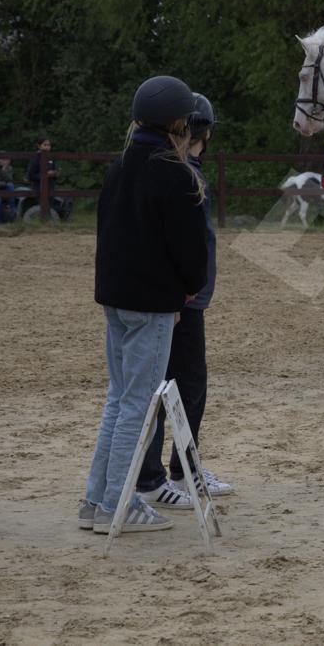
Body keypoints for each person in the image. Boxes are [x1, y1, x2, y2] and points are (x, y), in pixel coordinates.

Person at [78, 75, 210, 535]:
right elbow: (192, 252)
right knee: (138, 406)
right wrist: (187, 289)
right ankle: (119, 503)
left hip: (115, 298)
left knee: (118, 400)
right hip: (152, 305)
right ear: (179, 123)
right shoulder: (177, 174)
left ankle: (96, 499)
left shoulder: (118, 167)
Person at [134, 92, 232, 510]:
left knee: (178, 386)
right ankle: (161, 476)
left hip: (185, 299)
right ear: (205, 133)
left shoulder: (179, 170)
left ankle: (180, 468)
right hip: (182, 302)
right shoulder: (186, 176)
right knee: (184, 387)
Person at [26, 136, 70, 220]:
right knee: (46, 207)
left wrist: (56, 173)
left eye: (49, 145)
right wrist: (45, 175)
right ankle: (46, 222)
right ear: (39, 146)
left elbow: (53, 170)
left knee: (66, 198)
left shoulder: (50, 157)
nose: (47, 147)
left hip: (51, 186)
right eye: (45, 145)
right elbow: (31, 176)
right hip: (39, 187)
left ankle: (64, 219)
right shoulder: (35, 158)